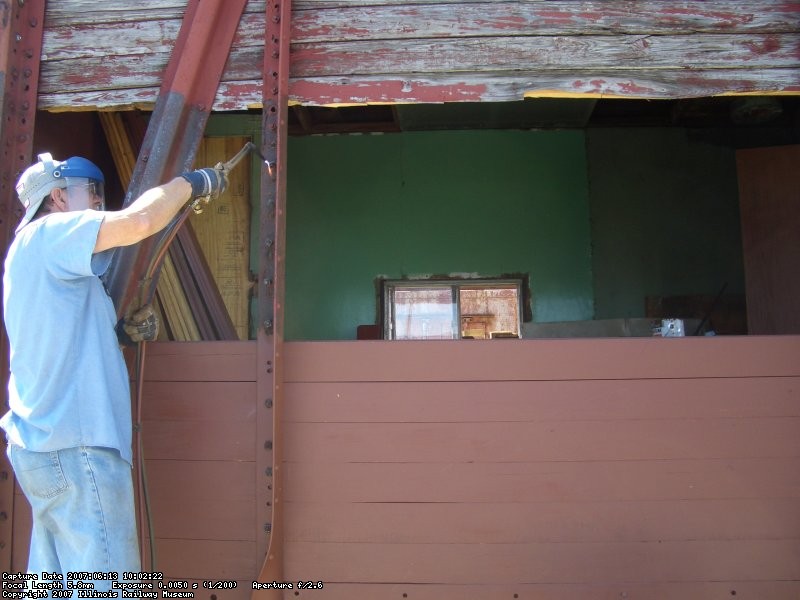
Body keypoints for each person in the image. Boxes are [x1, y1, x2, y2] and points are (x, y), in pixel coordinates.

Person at [1, 152, 227, 590]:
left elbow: (64, 340)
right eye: (93, 192)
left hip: (43, 446)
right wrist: (192, 183)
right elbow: (139, 223)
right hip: (80, 447)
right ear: (58, 197)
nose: (101, 202)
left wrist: (120, 334)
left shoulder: (36, 260)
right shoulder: (50, 232)